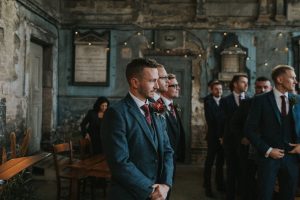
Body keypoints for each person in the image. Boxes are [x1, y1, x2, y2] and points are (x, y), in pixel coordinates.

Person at [101, 58, 174, 200]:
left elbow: (167, 150)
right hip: (130, 194)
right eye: (152, 81)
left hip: (160, 192)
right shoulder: (116, 113)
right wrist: (150, 190)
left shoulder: (157, 108)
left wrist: (165, 184)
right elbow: (119, 162)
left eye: (157, 80)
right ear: (135, 82)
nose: (157, 85)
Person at [245, 65, 300, 200]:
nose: (295, 81)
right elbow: (249, 129)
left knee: (288, 196)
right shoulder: (260, 100)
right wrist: (268, 150)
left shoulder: (298, 100)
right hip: (268, 159)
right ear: (280, 79)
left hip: (292, 159)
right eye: (292, 78)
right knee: (265, 195)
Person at [230, 76, 272, 200]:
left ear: (271, 88)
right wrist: (242, 137)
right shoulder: (247, 103)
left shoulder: (275, 104)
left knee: (266, 182)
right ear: (255, 88)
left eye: (265, 87)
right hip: (249, 150)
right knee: (247, 180)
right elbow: (234, 124)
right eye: (259, 87)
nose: (262, 90)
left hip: (269, 149)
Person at [219, 74, 248, 200]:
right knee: (231, 170)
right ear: (235, 84)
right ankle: (230, 196)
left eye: (247, 82)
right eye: (243, 82)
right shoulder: (225, 100)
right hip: (230, 141)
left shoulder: (250, 99)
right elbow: (222, 121)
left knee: (244, 171)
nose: (246, 84)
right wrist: (221, 136)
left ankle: (242, 195)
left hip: (245, 141)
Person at [203, 80, 225, 198]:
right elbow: (212, 120)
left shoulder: (225, 100)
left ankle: (220, 184)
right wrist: (220, 136)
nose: (219, 91)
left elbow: (227, 119)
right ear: (211, 90)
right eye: (216, 89)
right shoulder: (208, 101)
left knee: (221, 162)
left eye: (220, 89)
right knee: (209, 163)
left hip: (224, 137)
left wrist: (224, 136)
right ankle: (207, 186)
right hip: (213, 137)